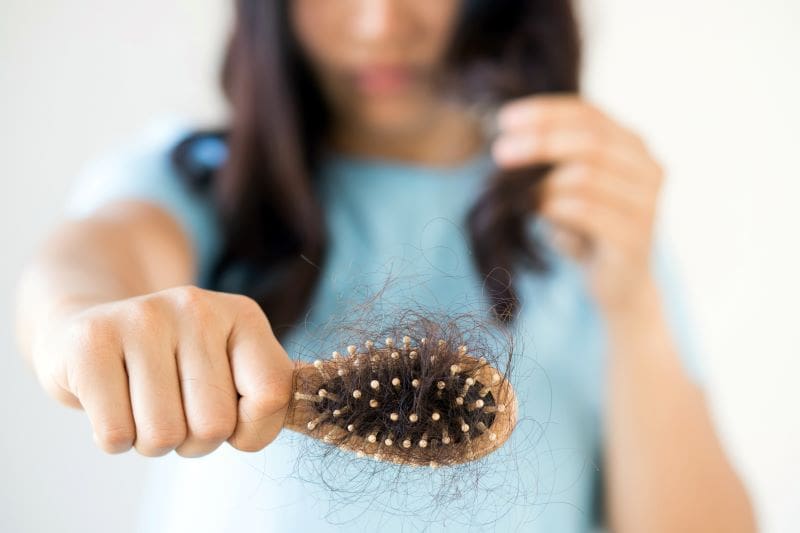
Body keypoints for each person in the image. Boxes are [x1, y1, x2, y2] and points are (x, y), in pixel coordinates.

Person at [15, 1, 756, 531]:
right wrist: (80, 324)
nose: (379, 22)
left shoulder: (587, 223)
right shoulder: (207, 180)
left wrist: (634, 305)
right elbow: (93, 257)